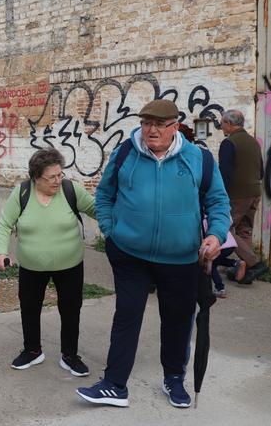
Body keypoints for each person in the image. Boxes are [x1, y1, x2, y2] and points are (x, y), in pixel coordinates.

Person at [76, 99, 231, 408]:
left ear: (175, 127)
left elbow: (218, 202)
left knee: (177, 320)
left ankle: (174, 378)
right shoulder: (125, 153)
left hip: (182, 258)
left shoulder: (198, 159)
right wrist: (110, 227)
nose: (152, 130)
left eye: (160, 124)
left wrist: (215, 235)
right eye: (147, 123)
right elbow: (104, 194)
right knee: (127, 315)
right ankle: (114, 384)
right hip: (130, 254)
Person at [0, 148, 96, 377]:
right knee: (30, 308)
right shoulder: (21, 193)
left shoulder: (71, 190)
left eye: (60, 174)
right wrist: (0, 253)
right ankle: (32, 351)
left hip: (70, 265)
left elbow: (97, 209)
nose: (58, 180)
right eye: (52, 177)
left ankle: (70, 355)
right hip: (31, 266)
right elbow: (4, 224)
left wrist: (119, 223)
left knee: (71, 310)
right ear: (36, 177)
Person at [175, 124, 247, 298]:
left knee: (209, 257)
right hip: (249, 195)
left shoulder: (223, 146)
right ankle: (239, 263)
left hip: (213, 219)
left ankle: (219, 286)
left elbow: (223, 179)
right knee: (242, 231)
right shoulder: (249, 141)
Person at [218, 109, 266, 284]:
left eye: (222, 123)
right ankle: (245, 272)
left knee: (225, 228)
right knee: (244, 230)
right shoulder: (253, 142)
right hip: (255, 191)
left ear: (229, 124)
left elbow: (225, 174)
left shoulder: (229, 143)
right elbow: (261, 170)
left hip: (237, 195)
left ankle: (254, 263)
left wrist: (220, 197)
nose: (220, 126)